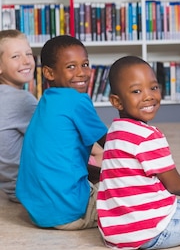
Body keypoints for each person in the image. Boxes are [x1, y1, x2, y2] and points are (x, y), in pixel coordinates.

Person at [97, 56, 180, 250]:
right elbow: (175, 186)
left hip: (115, 235)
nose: (148, 96)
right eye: (137, 91)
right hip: (157, 232)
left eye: (153, 87)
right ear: (117, 101)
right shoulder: (148, 136)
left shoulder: (113, 133)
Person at [16, 35, 108, 229]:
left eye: (85, 64)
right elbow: (112, 145)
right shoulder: (77, 100)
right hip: (71, 212)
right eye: (71, 67)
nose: (82, 73)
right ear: (49, 73)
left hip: (38, 212)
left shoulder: (47, 99)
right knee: (137, 195)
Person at [0, 30, 37, 202]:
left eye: (29, 53)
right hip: (27, 188)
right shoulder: (20, 99)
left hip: (8, 185)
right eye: (15, 56)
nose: (26, 60)